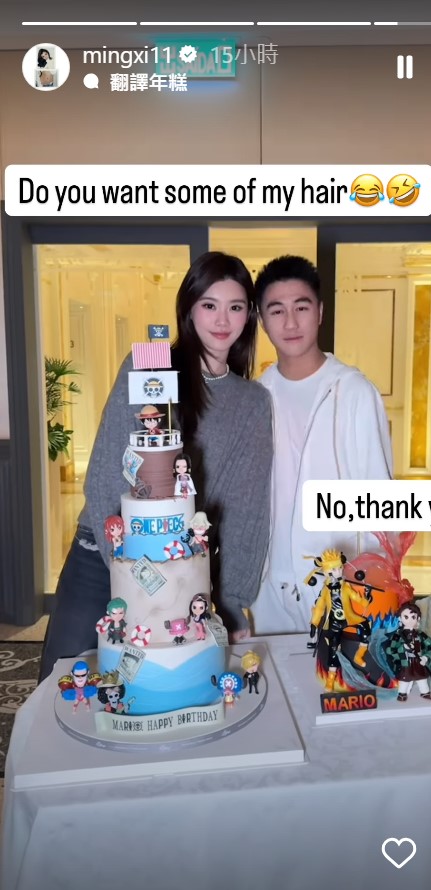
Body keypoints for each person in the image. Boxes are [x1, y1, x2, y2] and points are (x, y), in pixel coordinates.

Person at [39, 251, 273, 681]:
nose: (223, 319)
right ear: (188, 309)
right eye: (209, 304)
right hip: (103, 558)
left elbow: (246, 511)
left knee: (163, 687)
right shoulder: (148, 366)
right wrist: (129, 572)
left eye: (236, 307)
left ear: (249, 316)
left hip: (185, 571)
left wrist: (233, 598)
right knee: (67, 680)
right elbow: (106, 473)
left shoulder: (252, 403)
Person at [251, 255, 393, 635]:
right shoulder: (256, 397)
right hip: (272, 588)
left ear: (320, 312)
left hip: (341, 585)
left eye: (301, 307)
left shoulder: (353, 392)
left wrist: (377, 584)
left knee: (338, 674)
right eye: (277, 310)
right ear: (262, 320)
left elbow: (381, 496)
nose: (290, 322)